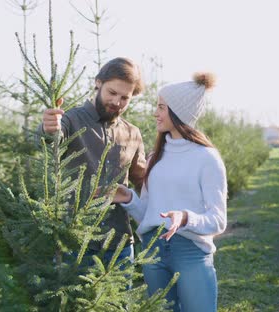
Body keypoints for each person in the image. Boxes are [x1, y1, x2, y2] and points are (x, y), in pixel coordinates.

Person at [113, 73, 227, 312]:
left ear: (179, 112)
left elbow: (218, 220)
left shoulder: (206, 158)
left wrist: (185, 218)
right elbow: (149, 214)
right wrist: (129, 199)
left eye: (162, 107)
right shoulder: (156, 158)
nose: (156, 113)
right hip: (153, 253)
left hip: (190, 253)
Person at [37, 57, 146, 265]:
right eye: (112, 93)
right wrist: (48, 129)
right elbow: (51, 141)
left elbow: (144, 181)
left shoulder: (132, 133)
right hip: (76, 243)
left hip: (119, 244)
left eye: (125, 98)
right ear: (98, 83)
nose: (117, 102)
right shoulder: (70, 119)